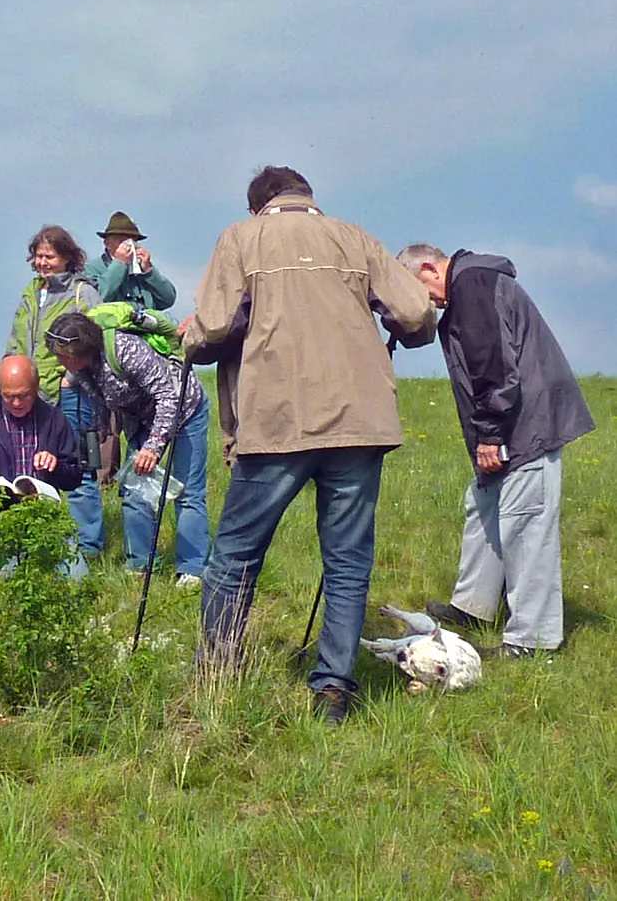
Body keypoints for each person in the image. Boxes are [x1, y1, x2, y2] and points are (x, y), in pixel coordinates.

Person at [181, 165, 436, 725]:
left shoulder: (241, 238)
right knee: (346, 562)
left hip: (277, 422)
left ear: (259, 208)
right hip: (360, 422)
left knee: (236, 557)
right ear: (306, 199)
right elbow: (418, 312)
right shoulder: (355, 237)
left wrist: (190, 340)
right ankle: (333, 691)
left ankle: (216, 675)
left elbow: (216, 325)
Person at [397, 244, 594, 658]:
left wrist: (490, 435)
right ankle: (472, 608)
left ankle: (533, 640)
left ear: (431, 268)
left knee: (527, 525)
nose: (426, 303)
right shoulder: (475, 283)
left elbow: (494, 366)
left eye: (421, 290)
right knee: (484, 503)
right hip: (514, 422)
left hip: (526, 425)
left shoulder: (472, 284)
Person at [47, 312, 211, 585]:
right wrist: (101, 430)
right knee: (135, 492)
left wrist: (153, 447)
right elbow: (101, 400)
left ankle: (192, 570)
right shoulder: (79, 372)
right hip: (142, 418)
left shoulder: (126, 350)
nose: (58, 360)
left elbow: (168, 396)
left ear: (78, 351)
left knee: (187, 491)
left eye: (61, 355)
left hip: (185, 408)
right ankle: (141, 565)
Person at [5, 224, 112, 556]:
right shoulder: (31, 293)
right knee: (34, 466)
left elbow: (97, 342)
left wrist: (73, 379)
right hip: (34, 395)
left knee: (79, 469)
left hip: (72, 392)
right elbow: (17, 338)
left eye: (49, 256)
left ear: (67, 257)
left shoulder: (83, 292)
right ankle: (40, 542)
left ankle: (87, 548)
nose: (42, 262)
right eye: (38, 256)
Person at [0, 355, 83, 494]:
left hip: (41, 509)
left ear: (36, 386)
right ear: (0, 388)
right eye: (8, 396)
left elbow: (74, 478)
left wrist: (55, 466)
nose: (16, 403)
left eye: (24, 395)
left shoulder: (55, 419)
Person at [83, 211, 177, 310]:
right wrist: (119, 264)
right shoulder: (91, 268)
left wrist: (149, 271)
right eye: (122, 241)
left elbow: (168, 299)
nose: (129, 246)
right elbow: (96, 299)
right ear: (107, 243)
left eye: (133, 241)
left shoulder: (141, 269)